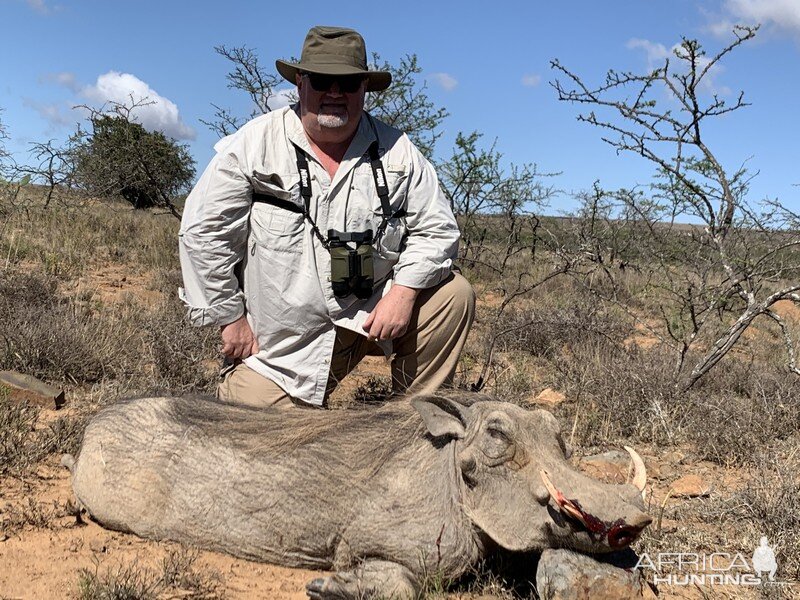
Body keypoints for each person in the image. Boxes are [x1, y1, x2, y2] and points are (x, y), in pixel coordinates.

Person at [179, 26, 474, 408]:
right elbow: (204, 234)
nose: (335, 92)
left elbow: (438, 228)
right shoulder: (253, 145)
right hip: (282, 350)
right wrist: (230, 318)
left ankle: (413, 425)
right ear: (301, 82)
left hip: (368, 318)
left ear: (364, 88)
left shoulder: (398, 150)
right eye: (322, 80)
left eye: (348, 83)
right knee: (267, 449)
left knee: (453, 295)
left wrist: (403, 292)